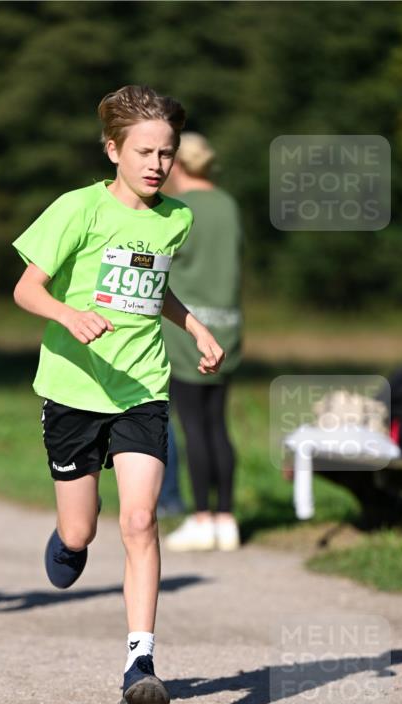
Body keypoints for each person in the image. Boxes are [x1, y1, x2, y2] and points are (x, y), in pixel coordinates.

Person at [12, 85, 225, 704]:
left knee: (140, 520)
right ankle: (71, 541)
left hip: (142, 386)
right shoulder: (77, 210)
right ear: (113, 150)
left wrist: (194, 325)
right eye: (144, 152)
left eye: (167, 152)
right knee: (83, 529)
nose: (157, 164)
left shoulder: (176, 219)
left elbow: (153, 290)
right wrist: (67, 315)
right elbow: (25, 289)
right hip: (73, 389)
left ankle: (141, 660)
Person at [161, 133, 243, 553]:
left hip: (188, 331)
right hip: (229, 326)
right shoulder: (228, 204)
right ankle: (226, 519)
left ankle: (201, 518)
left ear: (179, 165)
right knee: (218, 426)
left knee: (193, 427)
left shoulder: (180, 209)